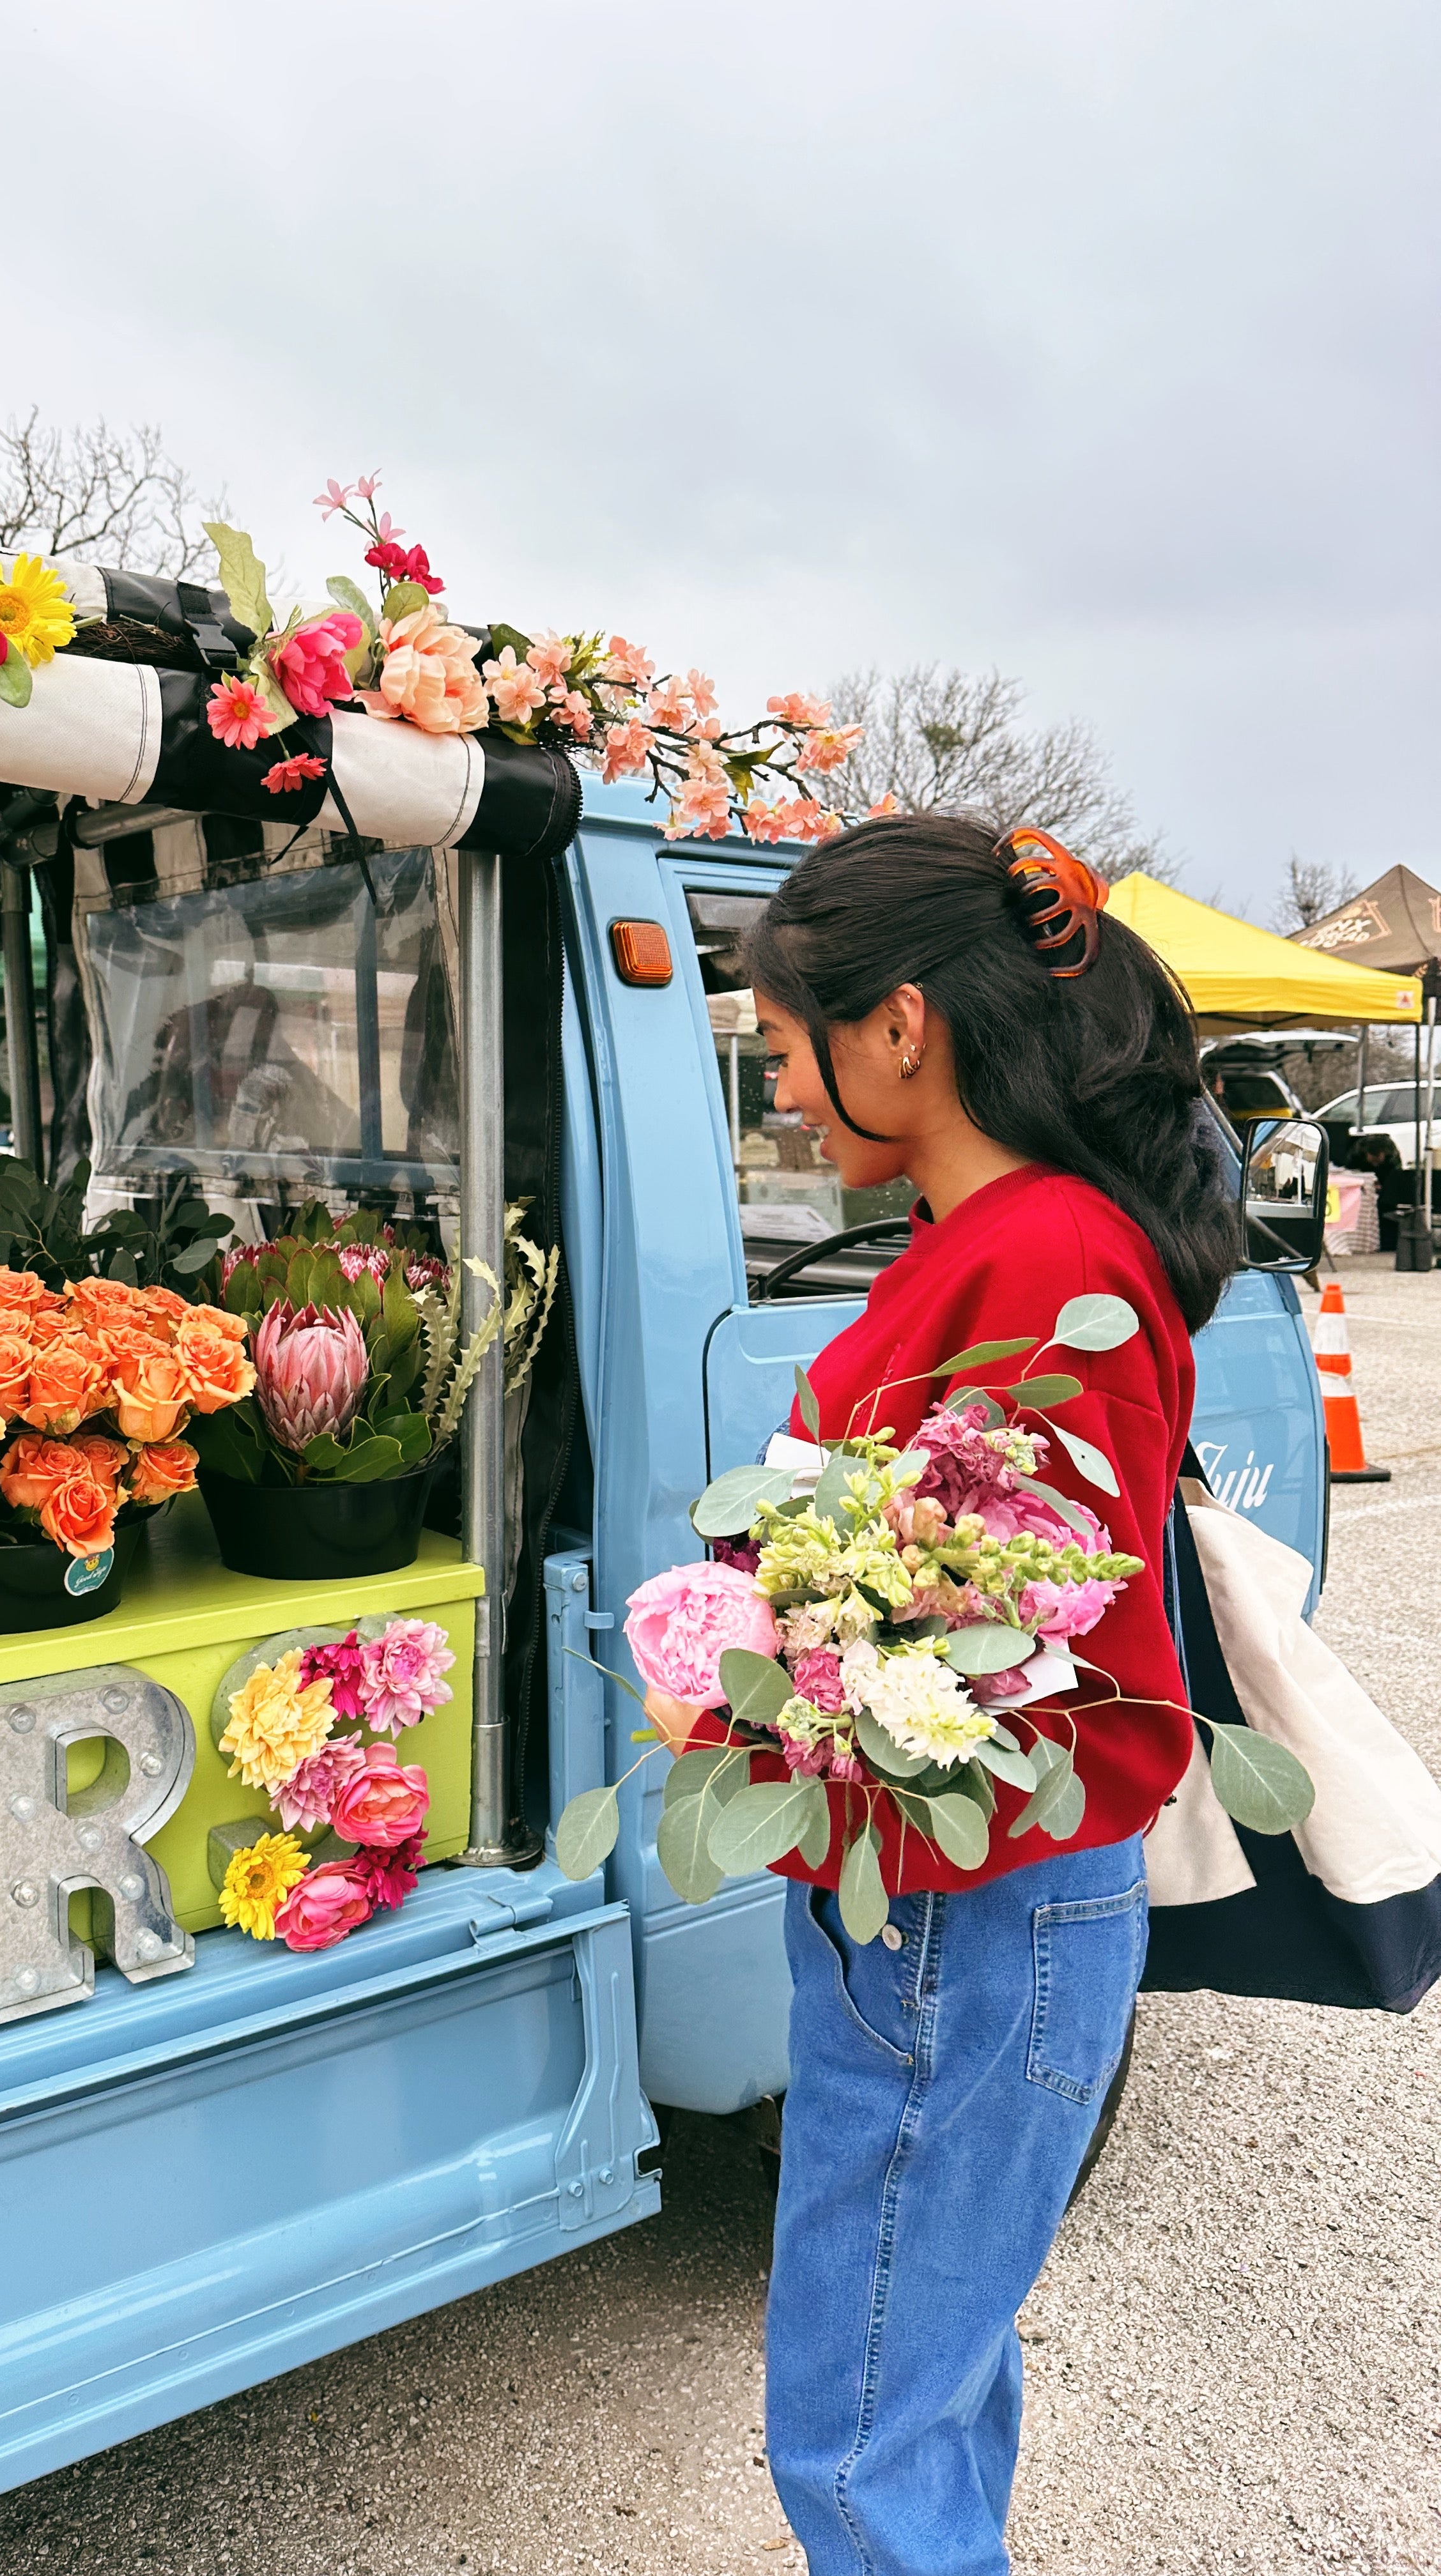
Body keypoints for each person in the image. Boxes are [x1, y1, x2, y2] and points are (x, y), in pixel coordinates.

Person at [657, 813, 1238, 2576]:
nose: (781, 1097)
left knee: (857, 2434)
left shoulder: (1041, 1256)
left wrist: (755, 1690)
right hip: (956, 1907)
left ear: (900, 1027)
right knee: (920, 2377)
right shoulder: (996, 1235)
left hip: (967, 1911)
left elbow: (1022, 1651)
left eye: (781, 1051)